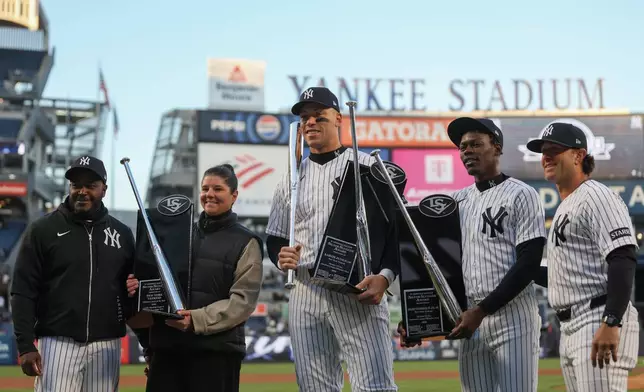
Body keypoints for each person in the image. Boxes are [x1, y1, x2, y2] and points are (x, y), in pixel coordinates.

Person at [265, 87, 399, 392]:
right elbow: (274, 236)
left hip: (356, 288)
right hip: (304, 287)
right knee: (315, 387)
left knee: (374, 385)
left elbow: (396, 232)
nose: (310, 122)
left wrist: (386, 277)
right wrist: (279, 256)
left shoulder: (367, 166)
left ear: (338, 118)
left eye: (318, 115)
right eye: (304, 118)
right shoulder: (291, 178)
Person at [398, 117, 547, 391]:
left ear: (497, 148)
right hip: (469, 317)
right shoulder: (455, 202)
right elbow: (436, 265)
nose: (467, 150)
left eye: (476, 144)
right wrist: (416, 319)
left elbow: (528, 264)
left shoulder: (522, 194)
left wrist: (481, 311)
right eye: (463, 146)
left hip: (512, 317)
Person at [127, 164, 264, 392]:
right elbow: (156, 287)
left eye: (218, 189)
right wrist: (138, 287)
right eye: (205, 188)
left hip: (216, 353)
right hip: (168, 350)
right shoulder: (177, 234)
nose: (209, 194)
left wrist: (196, 320)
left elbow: (243, 301)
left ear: (234, 195)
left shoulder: (246, 241)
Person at [526, 121, 640, 391]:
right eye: (543, 151)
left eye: (554, 150)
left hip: (597, 316)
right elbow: (561, 277)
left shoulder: (597, 197)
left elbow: (622, 257)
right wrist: (521, 269)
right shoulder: (569, 204)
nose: (546, 157)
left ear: (578, 155)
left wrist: (612, 320)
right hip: (572, 325)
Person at [10, 155, 136, 391]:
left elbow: (131, 293)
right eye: (76, 185)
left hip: (106, 344)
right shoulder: (43, 229)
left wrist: (149, 344)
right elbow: (23, 290)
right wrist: (26, 345)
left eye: (91, 185)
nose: (82, 191)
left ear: (104, 189)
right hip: (58, 342)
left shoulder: (122, 234)